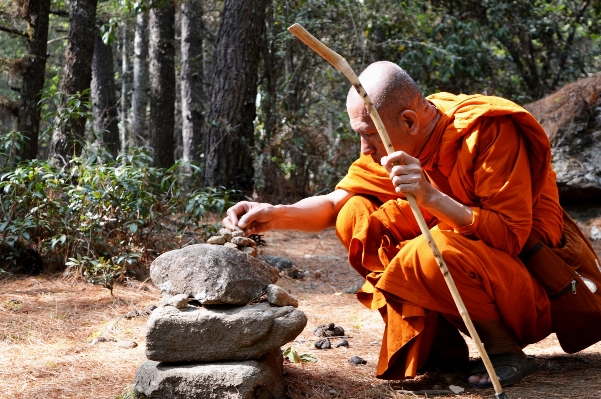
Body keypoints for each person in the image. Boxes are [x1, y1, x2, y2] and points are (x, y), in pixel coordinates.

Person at [222, 61, 565, 388]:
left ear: (409, 121)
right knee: (355, 214)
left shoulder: (487, 131)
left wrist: (432, 198)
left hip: (525, 285)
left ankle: (502, 347)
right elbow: (333, 203)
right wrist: (276, 214)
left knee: (429, 251)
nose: (365, 149)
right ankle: (441, 350)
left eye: (369, 134)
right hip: (462, 273)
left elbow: (510, 237)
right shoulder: (394, 145)